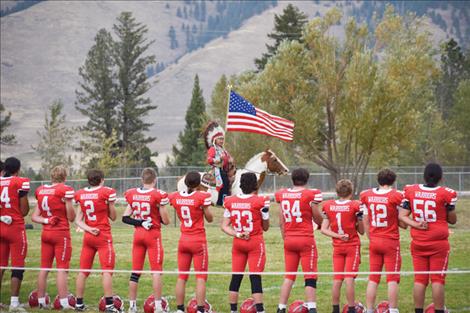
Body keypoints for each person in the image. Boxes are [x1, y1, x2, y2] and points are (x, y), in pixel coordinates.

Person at [399, 163, 457, 313]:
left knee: (420, 280)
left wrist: (416, 224)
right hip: (438, 243)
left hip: (418, 242)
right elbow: (452, 220)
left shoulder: (412, 190)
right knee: (437, 280)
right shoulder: (445, 193)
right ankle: (439, 311)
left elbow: (402, 216)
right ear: (440, 177)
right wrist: (449, 209)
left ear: (424, 176)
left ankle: (418, 311)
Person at [274, 168, 323, 313]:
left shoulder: (282, 194)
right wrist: (320, 222)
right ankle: (312, 308)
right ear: (307, 179)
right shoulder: (310, 194)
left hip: (289, 238)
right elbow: (317, 217)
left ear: (292, 179)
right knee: (310, 275)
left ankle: (281, 308)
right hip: (305, 238)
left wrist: (285, 237)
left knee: (289, 275)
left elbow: (281, 220)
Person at [122, 168, 170, 313]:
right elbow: (166, 221)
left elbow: (125, 218)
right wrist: (156, 212)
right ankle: (157, 306)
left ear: (142, 180)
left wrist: (140, 222)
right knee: (156, 271)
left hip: (138, 235)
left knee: (135, 271)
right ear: (155, 180)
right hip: (152, 235)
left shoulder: (132, 194)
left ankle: (132, 306)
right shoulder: (158, 195)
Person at [221, 172, 270, 313]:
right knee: (255, 277)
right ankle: (260, 310)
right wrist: (264, 216)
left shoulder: (230, 201)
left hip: (238, 242)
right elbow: (265, 228)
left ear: (241, 185)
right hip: (255, 242)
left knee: (236, 276)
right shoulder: (261, 201)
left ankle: (233, 310)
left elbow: (224, 226)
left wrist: (237, 233)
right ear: (255, 184)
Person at [360, 169, 406, 313]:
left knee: (373, 277)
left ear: (378, 180)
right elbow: (402, 222)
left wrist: (371, 237)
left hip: (375, 240)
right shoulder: (397, 195)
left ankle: (369, 310)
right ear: (393, 181)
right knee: (392, 278)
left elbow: (366, 220)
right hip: (390, 240)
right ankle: (392, 310)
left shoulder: (366, 195)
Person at [74, 169, 119, 313]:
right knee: (107, 271)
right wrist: (109, 205)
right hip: (103, 235)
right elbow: (113, 217)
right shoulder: (106, 192)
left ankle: (79, 304)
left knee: (83, 270)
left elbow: (77, 220)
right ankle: (110, 306)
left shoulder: (81, 194)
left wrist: (88, 228)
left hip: (88, 235)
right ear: (101, 180)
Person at [31, 165, 75, 309]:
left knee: (44, 268)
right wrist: (68, 203)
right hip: (60, 233)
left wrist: (46, 220)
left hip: (46, 233)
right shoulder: (65, 190)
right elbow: (71, 217)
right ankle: (64, 303)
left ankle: (41, 302)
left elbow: (34, 216)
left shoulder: (42, 191)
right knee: (62, 269)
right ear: (64, 177)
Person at [169, 171, 213, 313]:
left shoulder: (176, 196)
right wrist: (203, 208)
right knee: (201, 277)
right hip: (198, 240)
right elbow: (210, 218)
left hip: (183, 239)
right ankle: (200, 309)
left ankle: (180, 309)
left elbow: (175, 205)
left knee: (182, 276)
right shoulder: (201, 196)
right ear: (198, 183)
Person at [321, 179, 364, 313]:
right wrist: (359, 220)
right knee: (349, 278)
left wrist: (338, 236)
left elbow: (323, 229)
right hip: (351, 245)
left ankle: (335, 309)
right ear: (351, 192)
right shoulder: (355, 205)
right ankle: (351, 309)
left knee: (338, 278)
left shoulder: (328, 205)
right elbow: (361, 231)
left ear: (337, 191)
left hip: (338, 246)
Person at [0, 157, 30, 312]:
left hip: (0, 225)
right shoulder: (20, 181)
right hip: (15, 227)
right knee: (17, 264)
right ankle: (14, 303)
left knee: (0, 264)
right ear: (17, 169)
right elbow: (24, 211)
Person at [204, 121, 233, 206]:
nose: (221, 141)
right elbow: (209, 160)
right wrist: (219, 159)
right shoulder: (213, 149)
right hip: (217, 170)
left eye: (222, 139)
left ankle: (226, 199)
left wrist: (230, 159)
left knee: (228, 182)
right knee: (224, 183)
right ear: (214, 140)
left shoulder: (223, 149)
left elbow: (228, 158)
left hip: (225, 170)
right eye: (220, 139)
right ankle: (220, 202)